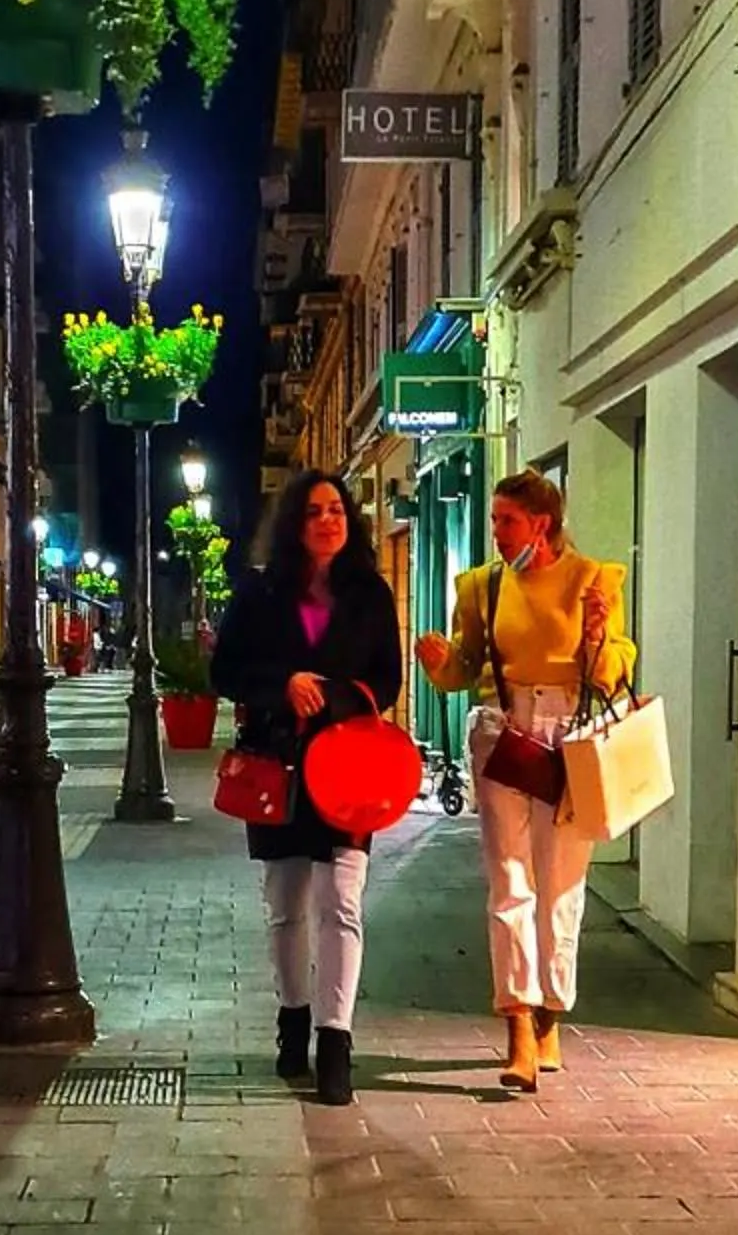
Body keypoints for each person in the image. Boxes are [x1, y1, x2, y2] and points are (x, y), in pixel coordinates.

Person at [414, 465, 637, 1093]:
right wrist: (441, 664)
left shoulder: (593, 580)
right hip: (504, 732)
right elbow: (466, 668)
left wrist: (597, 634)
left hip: (570, 737)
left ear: (541, 523)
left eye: (506, 521)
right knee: (509, 881)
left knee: (561, 883)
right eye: (493, 520)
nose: (497, 533)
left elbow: (614, 671)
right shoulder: (484, 586)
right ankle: (516, 1021)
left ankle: (550, 1014)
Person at [209, 469, 404, 1107]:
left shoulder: (370, 593)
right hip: (280, 766)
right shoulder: (260, 592)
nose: (329, 520)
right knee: (287, 905)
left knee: (342, 903)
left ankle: (336, 1042)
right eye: (316, 511)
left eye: (339, 511)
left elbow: (389, 679)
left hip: (349, 767)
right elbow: (226, 670)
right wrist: (282, 683)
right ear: (296, 522)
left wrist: (336, 696)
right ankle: (293, 1020)